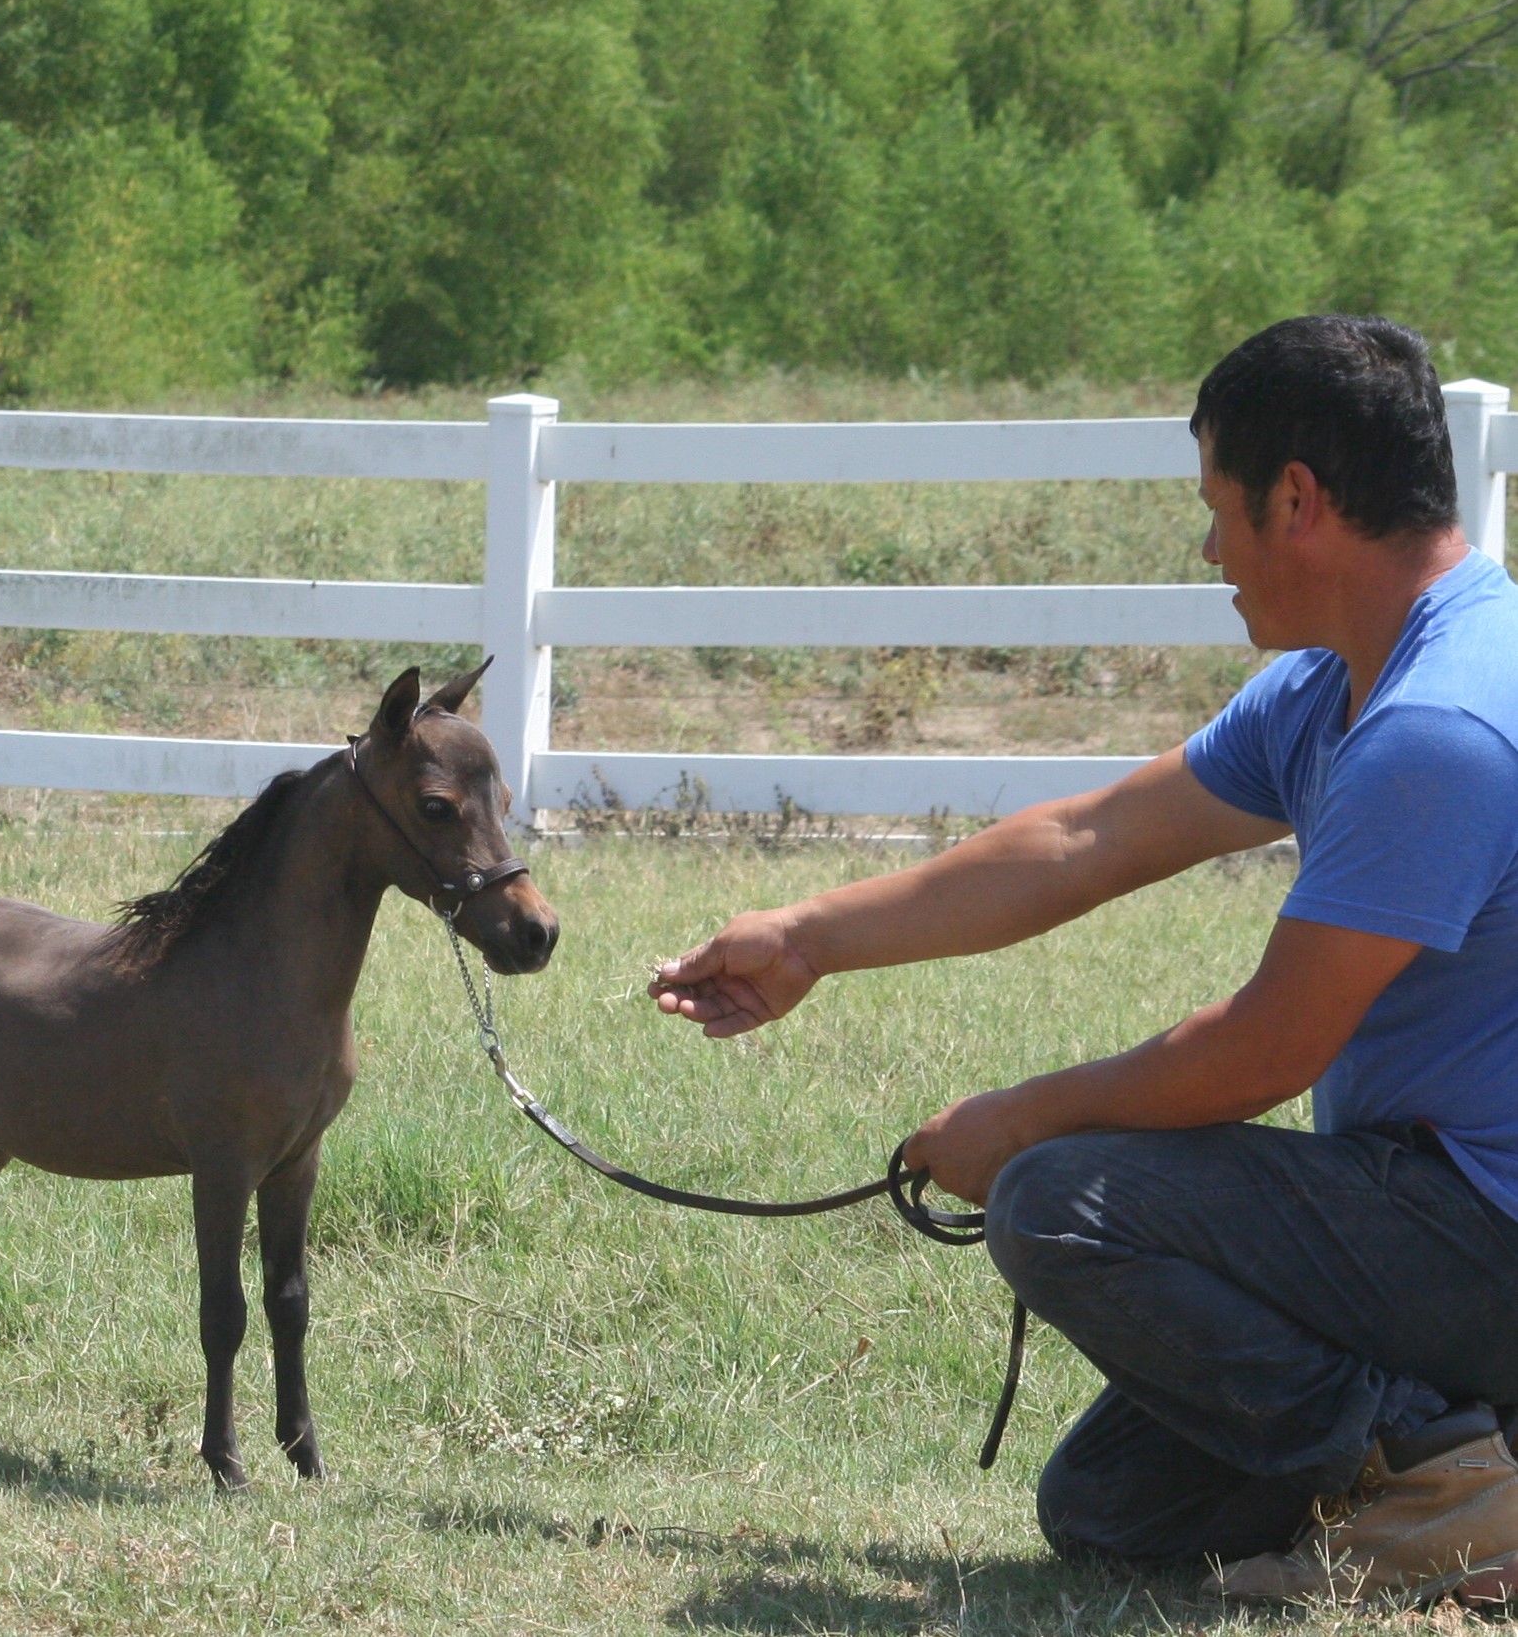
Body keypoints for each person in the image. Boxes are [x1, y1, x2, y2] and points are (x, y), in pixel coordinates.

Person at [649, 315, 1518, 1606]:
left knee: (1056, 1201)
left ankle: (1438, 1476)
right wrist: (811, 937)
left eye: (1218, 508)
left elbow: (1266, 1052)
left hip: (1479, 1229)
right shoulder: (1344, 681)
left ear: (1298, 500)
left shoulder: (1435, 727)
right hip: (1424, 1206)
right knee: (1105, 1505)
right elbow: (1084, 837)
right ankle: (1462, 1454)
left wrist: (1014, 1121)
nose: (1209, 549)